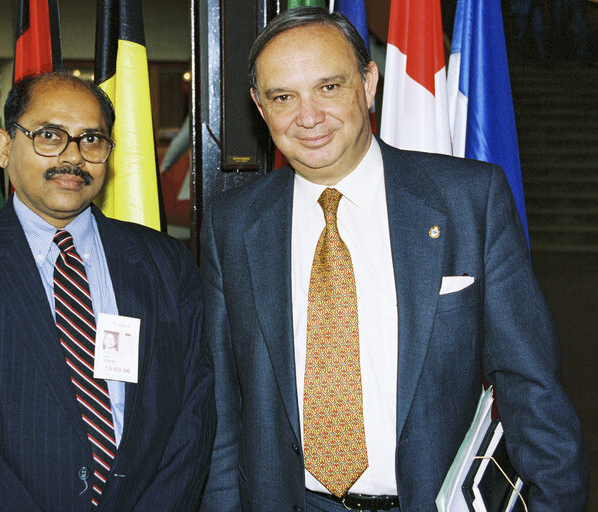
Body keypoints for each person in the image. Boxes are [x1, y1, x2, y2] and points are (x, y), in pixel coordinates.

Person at [199, 7, 588, 512]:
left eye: (329, 87)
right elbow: (224, 411)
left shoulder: (468, 201)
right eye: (282, 97)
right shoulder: (232, 224)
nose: (308, 116)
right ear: (258, 105)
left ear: (369, 82)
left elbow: (530, 387)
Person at [0, 72, 214, 511]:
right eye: (49, 135)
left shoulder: (165, 260)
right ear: (5, 147)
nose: (73, 157)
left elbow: (193, 411)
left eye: (92, 140)